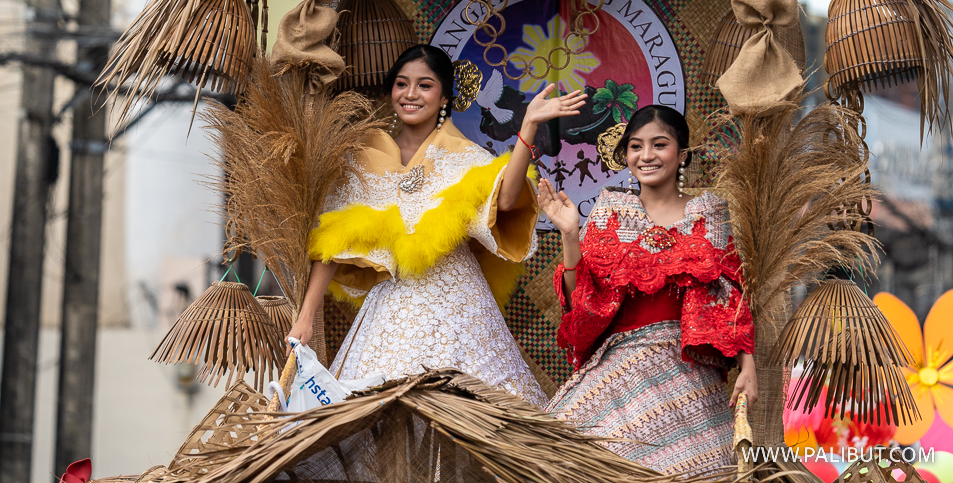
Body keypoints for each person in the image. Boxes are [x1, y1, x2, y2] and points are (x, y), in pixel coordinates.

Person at [287, 45, 586, 406]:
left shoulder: (465, 154)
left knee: (472, 414)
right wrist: (305, 318)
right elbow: (332, 242)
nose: (410, 94)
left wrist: (528, 127)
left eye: (424, 85)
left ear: (444, 96)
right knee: (377, 414)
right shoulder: (360, 157)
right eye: (401, 84)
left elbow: (505, 202)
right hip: (391, 311)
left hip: (460, 309)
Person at [538, 104, 757, 475]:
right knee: (558, 458)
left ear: (682, 154)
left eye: (659, 144)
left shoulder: (711, 214)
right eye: (636, 146)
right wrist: (570, 235)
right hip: (620, 369)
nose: (646, 155)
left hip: (689, 375)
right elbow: (580, 302)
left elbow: (732, 299)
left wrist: (748, 367)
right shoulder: (609, 211)